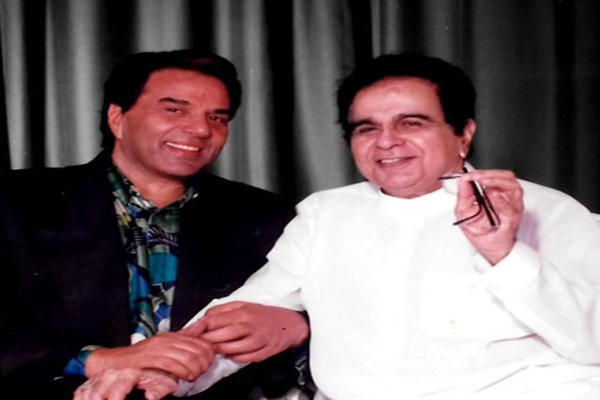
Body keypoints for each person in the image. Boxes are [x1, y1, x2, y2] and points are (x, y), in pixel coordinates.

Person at [78, 53, 600, 400]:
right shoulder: (326, 213)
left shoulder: (547, 210)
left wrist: (504, 253)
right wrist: (161, 375)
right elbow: (244, 316)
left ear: (463, 133)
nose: (387, 142)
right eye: (366, 128)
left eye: (411, 123)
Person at [0, 49, 309, 400]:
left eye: (217, 117)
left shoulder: (267, 215)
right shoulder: (16, 200)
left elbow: (322, 320)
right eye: (174, 110)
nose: (200, 129)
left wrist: (295, 328)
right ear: (117, 118)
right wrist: (98, 360)